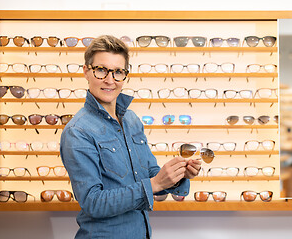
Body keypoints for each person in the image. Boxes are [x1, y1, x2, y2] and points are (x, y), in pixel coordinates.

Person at [60, 35, 201, 239]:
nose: (110, 80)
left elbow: (152, 173)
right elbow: (93, 202)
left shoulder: (132, 120)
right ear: (86, 71)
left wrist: (178, 174)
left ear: (126, 75)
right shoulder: (78, 132)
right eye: (101, 70)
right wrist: (155, 184)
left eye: (118, 72)